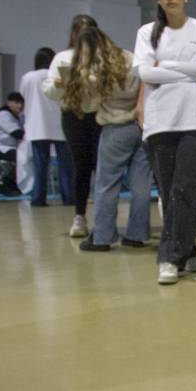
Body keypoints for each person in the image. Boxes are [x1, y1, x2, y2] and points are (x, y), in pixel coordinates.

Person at [133, 0, 196, 284]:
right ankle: (189, 252)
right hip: (160, 121)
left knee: (186, 189)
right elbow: (146, 73)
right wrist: (191, 73)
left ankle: (169, 257)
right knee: (170, 191)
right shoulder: (147, 33)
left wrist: (167, 67)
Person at [70, 29, 150, 252]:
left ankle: (102, 237)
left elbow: (89, 106)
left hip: (115, 128)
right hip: (142, 125)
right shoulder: (129, 57)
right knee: (141, 184)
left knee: (107, 184)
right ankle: (137, 235)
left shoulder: (95, 70)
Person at [44, 15, 108, 238]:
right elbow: (50, 91)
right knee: (81, 166)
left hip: (100, 116)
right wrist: (58, 85)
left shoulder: (105, 58)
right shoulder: (63, 57)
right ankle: (79, 216)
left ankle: (104, 218)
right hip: (74, 115)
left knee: (102, 167)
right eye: (80, 31)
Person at [19, 47, 74, 206]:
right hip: (60, 125)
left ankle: (38, 198)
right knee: (65, 166)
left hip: (36, 126)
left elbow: (23, 95)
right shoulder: (58, 76)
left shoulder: (27, 77)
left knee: (40, 166)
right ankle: (69, 197)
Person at [0, 92, 24, 194]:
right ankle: (6, 183)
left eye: (22, 103)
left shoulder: (17, 116)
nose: (20, 106)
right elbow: (15, 132)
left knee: (24, 155)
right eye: (17, 103)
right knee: (22, 157)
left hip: (8, 147)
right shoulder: (3, 115)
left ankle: (14, 182)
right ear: (9, 103)